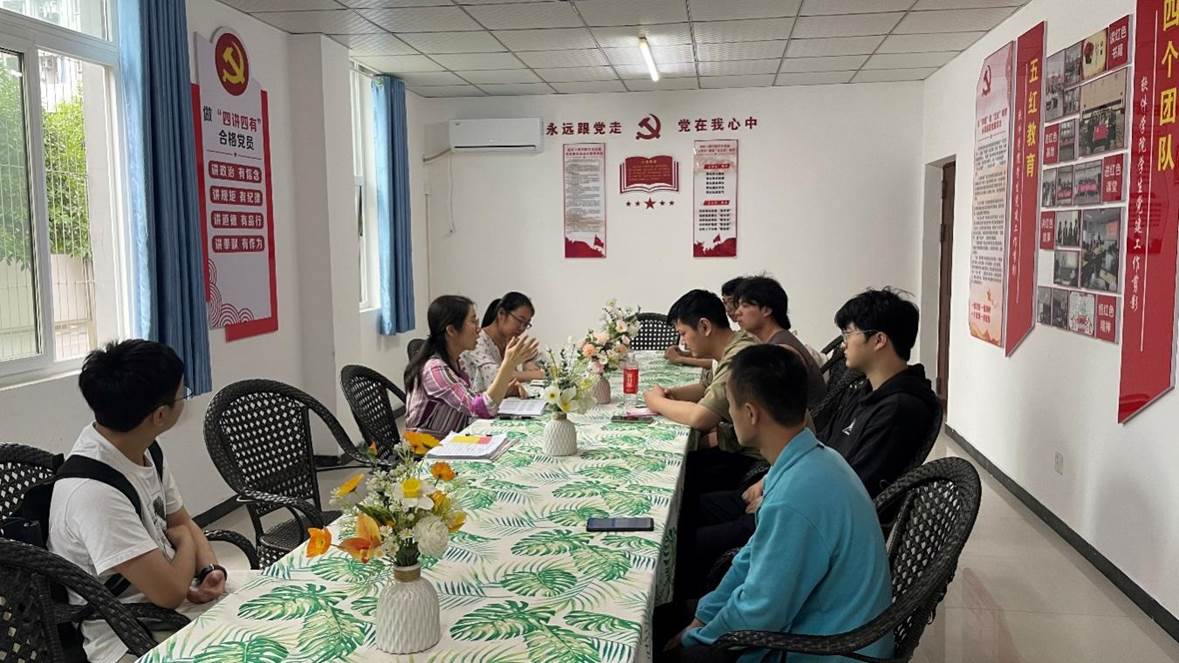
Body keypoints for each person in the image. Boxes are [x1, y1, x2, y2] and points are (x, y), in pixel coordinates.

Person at [654, 345, 893, 663]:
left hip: (829, 649)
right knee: (664, 618)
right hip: (822, 621)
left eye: (731, 407)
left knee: (667, 648)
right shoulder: (814, 458)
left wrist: (695, 636)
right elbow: (751, 556)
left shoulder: (796, 497)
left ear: (751, 414)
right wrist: (704, 615)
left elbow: (761, 612)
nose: (729, 416)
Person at [48, 340, 251, 663]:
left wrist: (209, 569)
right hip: (125, 633)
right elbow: (169, 592)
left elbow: (179, 520)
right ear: (160, 415)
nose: (185, 400)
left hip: (166, 601)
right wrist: (186, 544)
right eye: (183, 395)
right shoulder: (95, 492)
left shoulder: (141, 447)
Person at [819, 287, 940, 498]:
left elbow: (855, 487)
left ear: (879, 340)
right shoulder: (865, 391)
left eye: (848, 334)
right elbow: (821, 444)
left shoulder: (899, 410)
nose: (844, 345)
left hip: (831, 508)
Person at [644, 290, 760, 485]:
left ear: (705, 326)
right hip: (742, 446)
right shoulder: (735, 342)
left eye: (683, 334)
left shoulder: (739, 357)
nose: (683, 342)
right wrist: (672, 394)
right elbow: (707, 386)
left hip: (756, 460)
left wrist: (657, 402)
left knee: (670, 472)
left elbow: (701, 418)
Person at [405, 295, 539, 438]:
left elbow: (472, 398)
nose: (478, 329)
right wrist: (508, 365)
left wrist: (504, 391)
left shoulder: (456, 362)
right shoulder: (435, 370)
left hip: (454, 438)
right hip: (427, 446)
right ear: (451, 330)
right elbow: (481, 410)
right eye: (473, 322)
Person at [731, 276, 825, 406]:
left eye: (745, 306)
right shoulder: (779, 341)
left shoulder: (781, 350)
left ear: (767, 310)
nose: (737, 313)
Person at [462, 292, 543, 396]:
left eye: (526, 324)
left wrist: (528, 362)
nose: (522, 328)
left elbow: (540, 361)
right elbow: (495, 376)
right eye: (520, 321)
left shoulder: (510, 341)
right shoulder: (476, 341)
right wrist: (534, 375)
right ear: (501, 313)